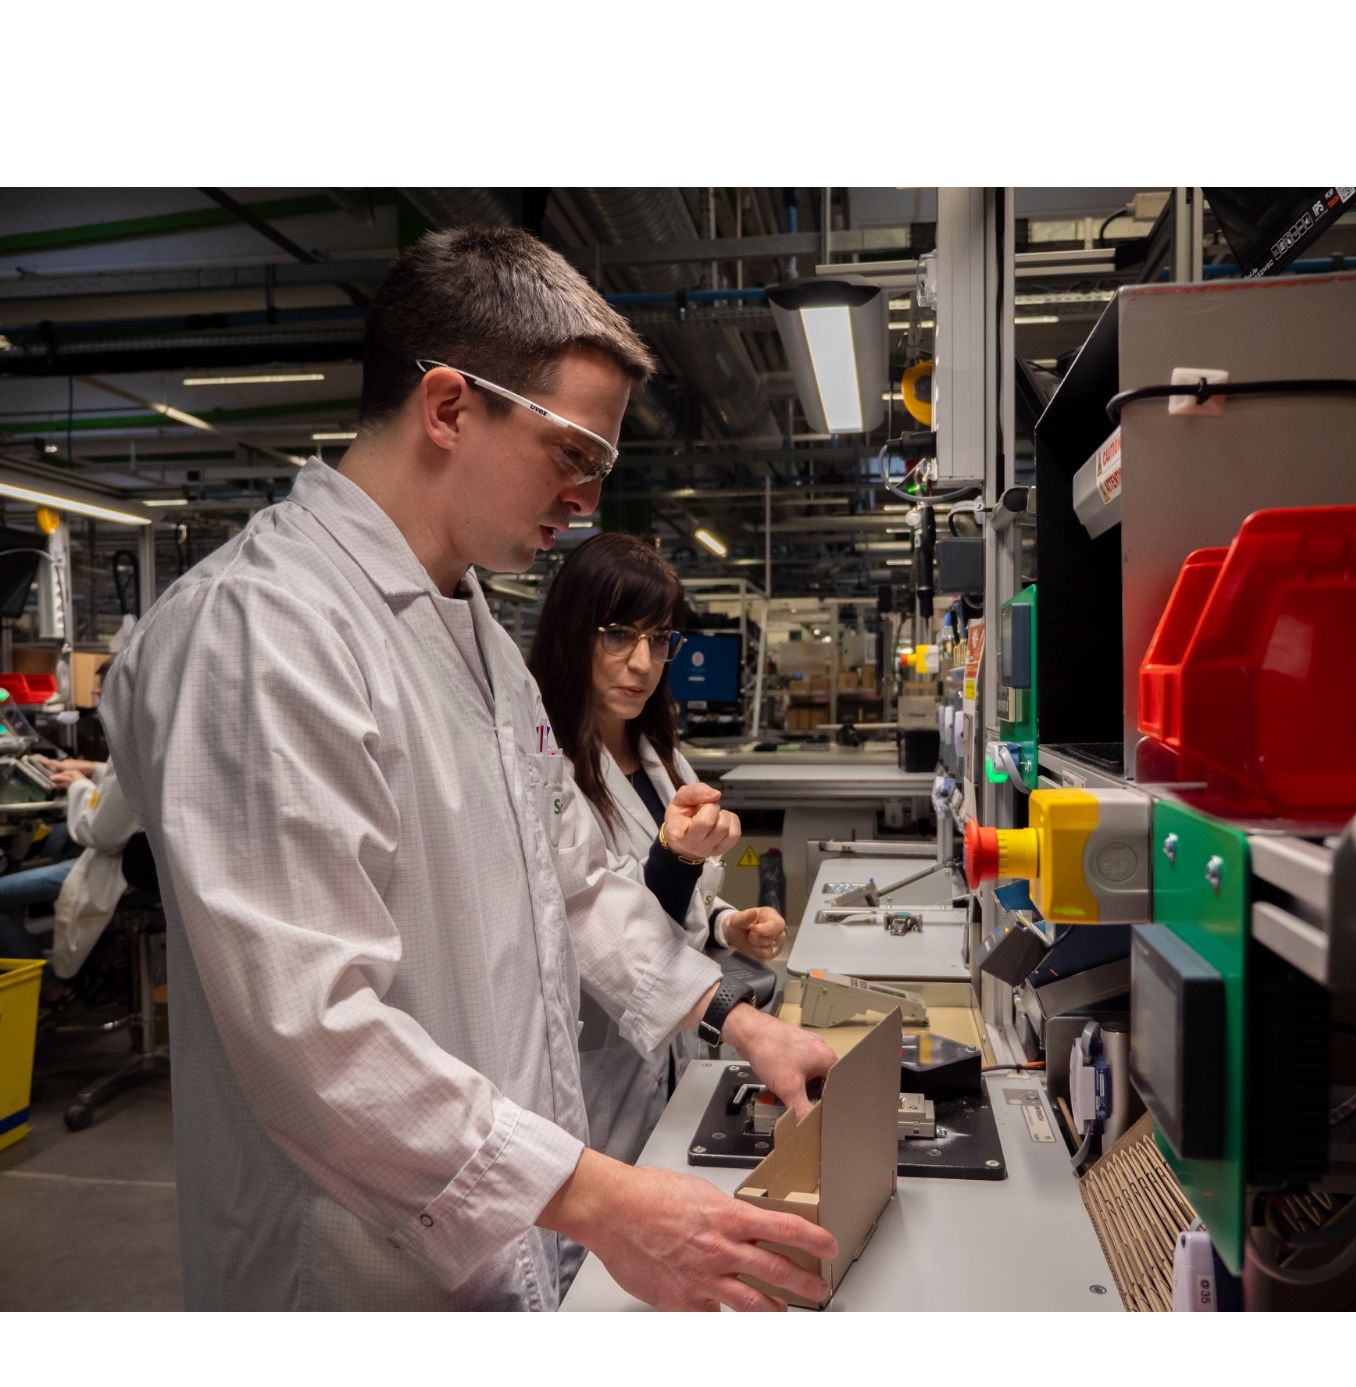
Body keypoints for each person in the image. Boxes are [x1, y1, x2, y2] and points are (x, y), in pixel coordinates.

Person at [102, 226, 840, 1312]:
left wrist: (734, 1016)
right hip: (352, 1276)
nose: (586, 500)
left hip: (512, 1229)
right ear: (449, 407)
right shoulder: (263, 631)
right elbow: (313, 1036)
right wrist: (605, 1200)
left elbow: (573, 883)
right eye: (574, 456)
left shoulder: (475, 637)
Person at [530, 532, 786, 1166]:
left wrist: (726, 924)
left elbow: (677, 900)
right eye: (618, 635)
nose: (643, 663)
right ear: (573, 634)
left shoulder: (662, 758)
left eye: (660, 639)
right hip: (604, 1065)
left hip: (677, 1050)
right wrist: (677, 857)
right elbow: (601, 916)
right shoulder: (546, 774)